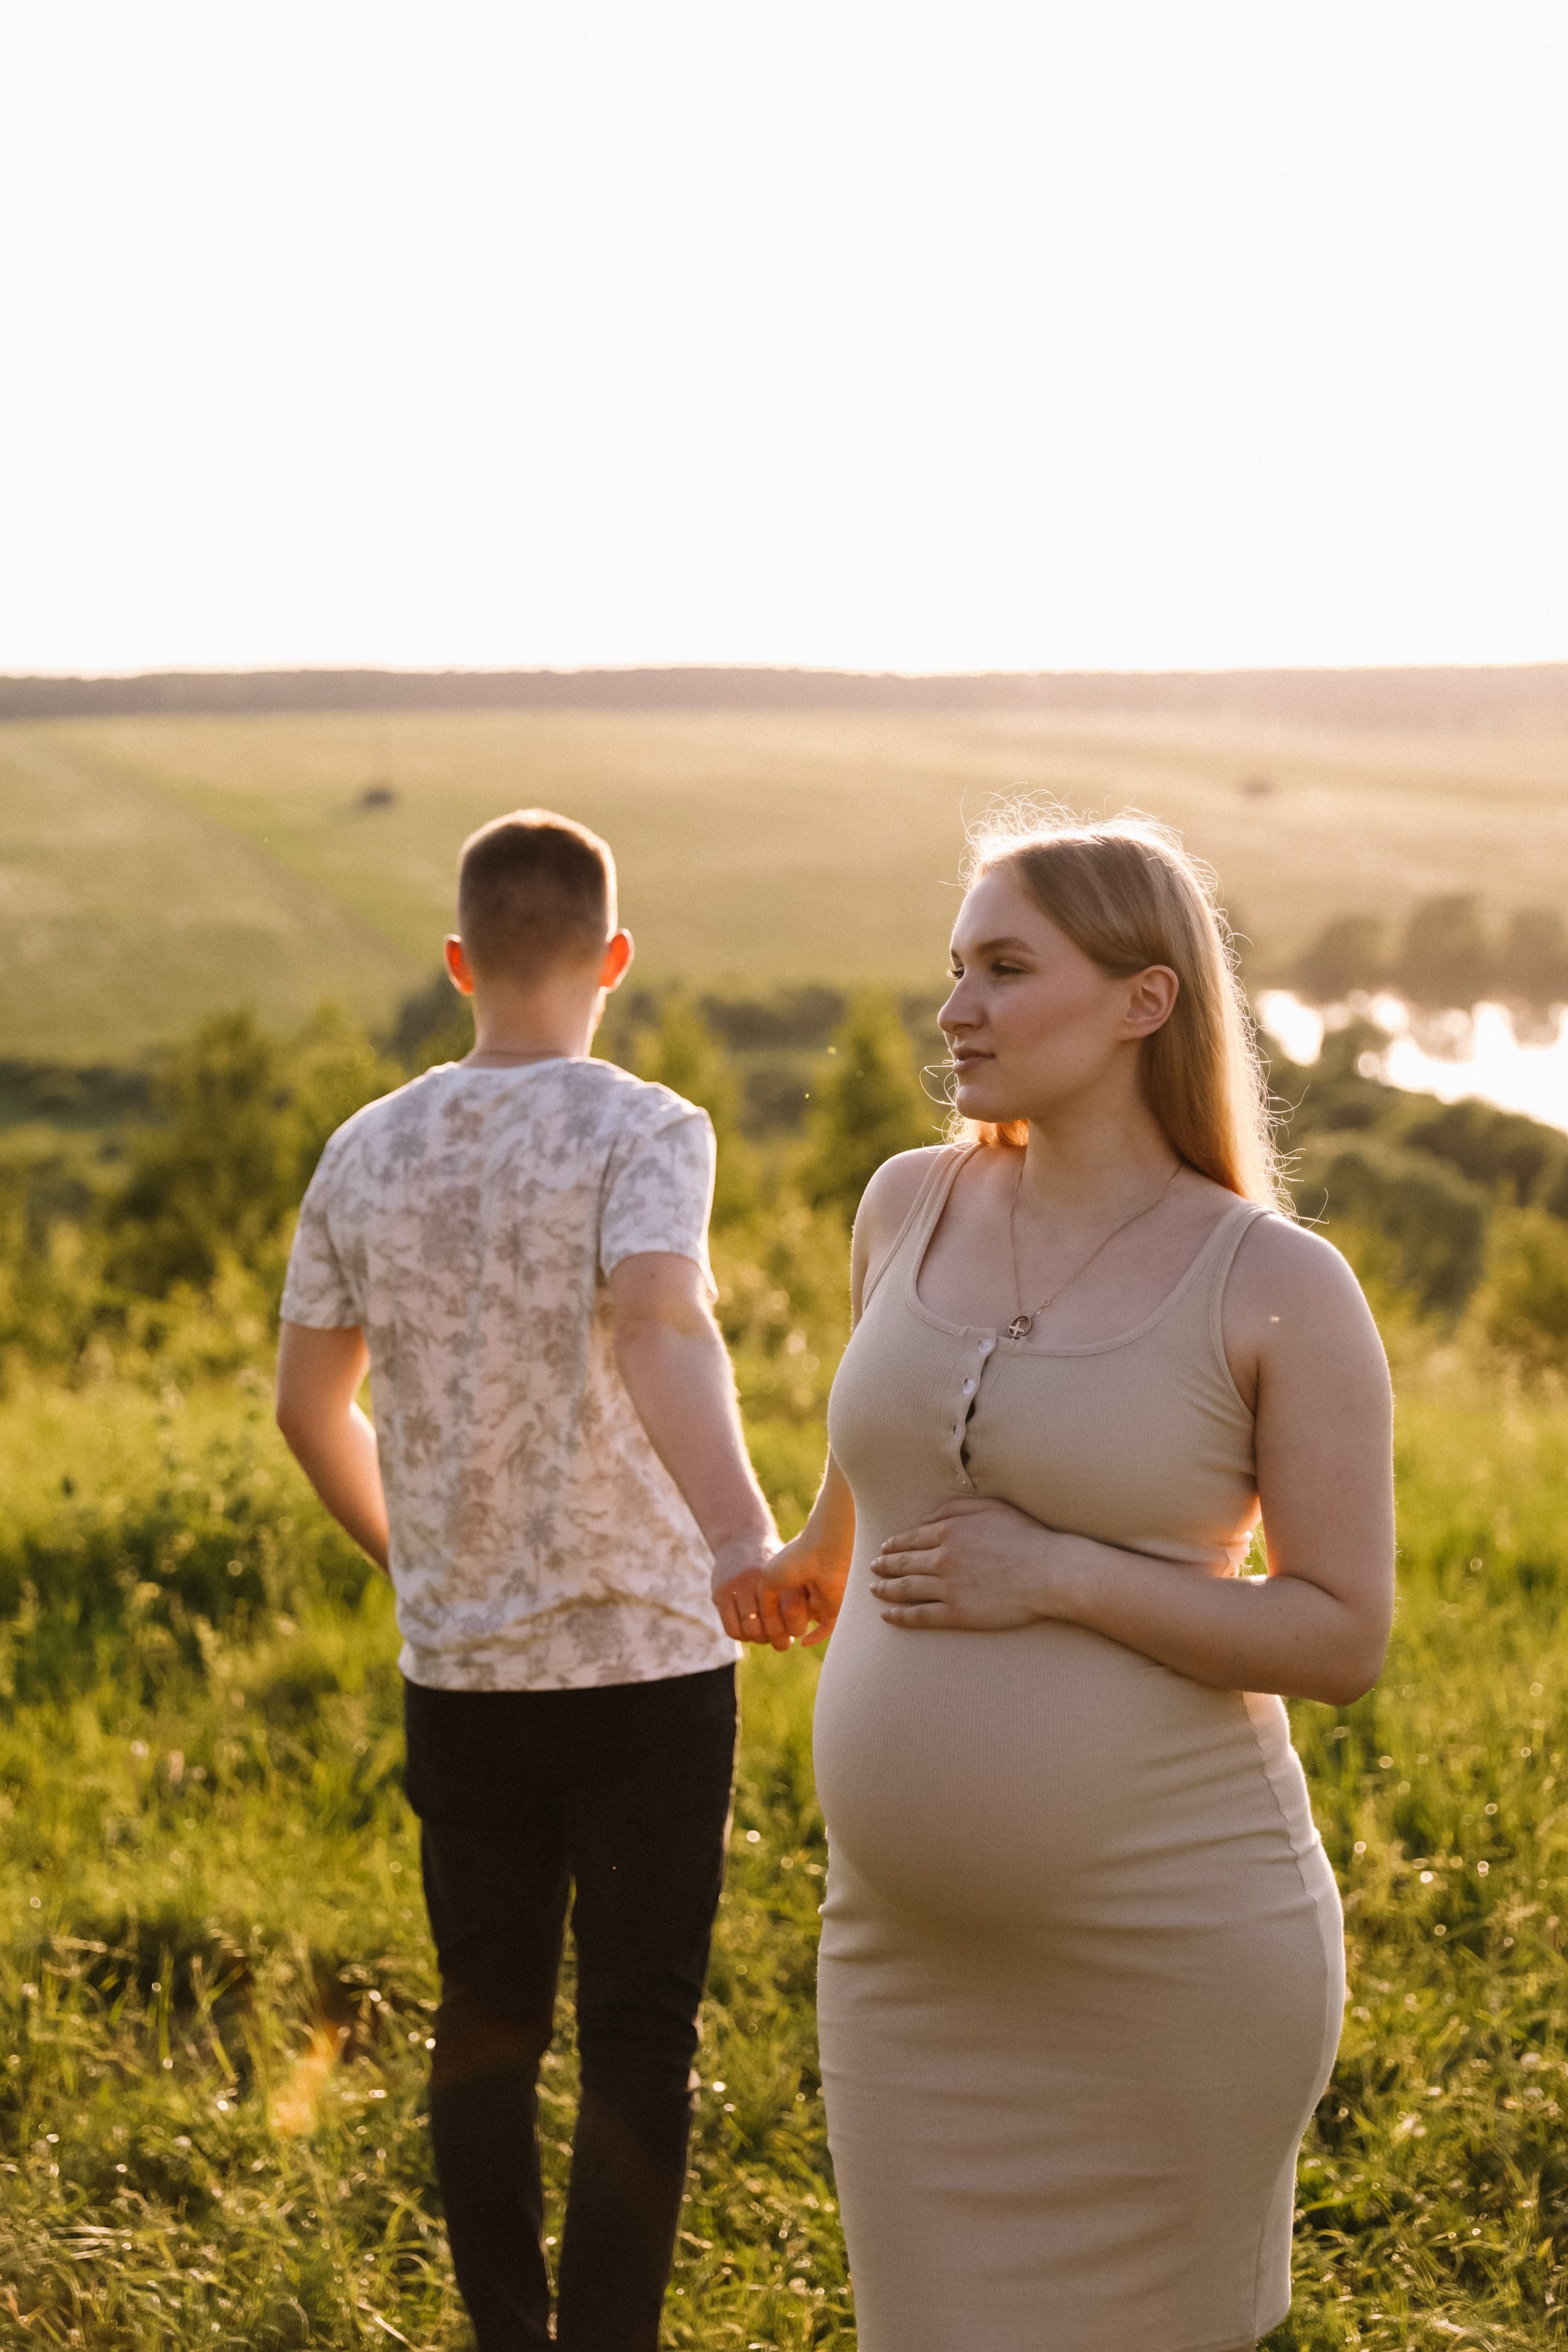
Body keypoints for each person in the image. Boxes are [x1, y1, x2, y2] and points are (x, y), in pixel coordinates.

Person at [757, 811, 1395, 2352]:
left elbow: (1338, 1635)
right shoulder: (905, 1201)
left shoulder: (1273, 1283)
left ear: (1142, 1000)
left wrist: (1057, 1574)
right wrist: (818, 1549)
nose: (953, 1009)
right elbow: (894, 1427)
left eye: (1002, 968)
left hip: (1169, 1959)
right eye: (953, 968)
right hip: (904, 1964)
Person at [274, 809, 778, 2352]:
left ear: (458, 962)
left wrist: (418, 1557)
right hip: (649, 1661)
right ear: (613, 959)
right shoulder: (649, 1127)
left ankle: (509, 2331)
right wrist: (739, 1538)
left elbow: (309, 1407)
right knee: (641, 2027)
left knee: (483, 2018)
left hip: (464, 1674)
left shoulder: (364, 1147)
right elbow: (659, 1320)